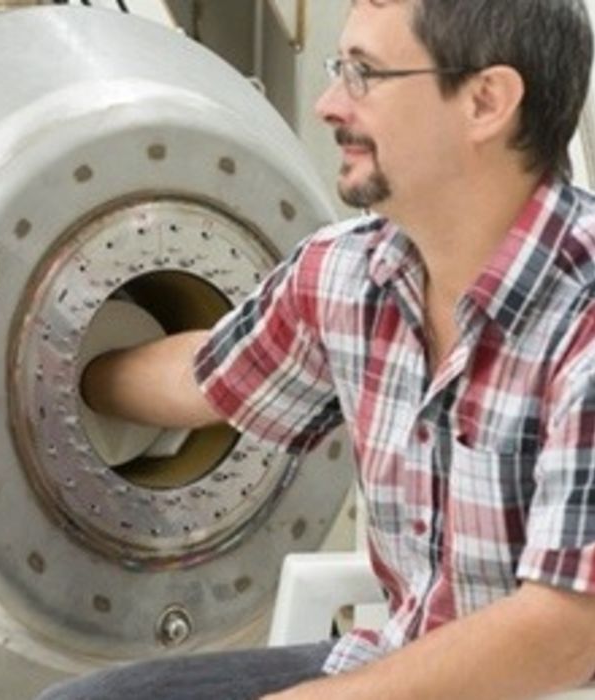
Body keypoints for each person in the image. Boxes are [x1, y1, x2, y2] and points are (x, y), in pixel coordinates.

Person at [35, 0, 595, 698]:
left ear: (485, 101)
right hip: (392, 660)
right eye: (337, 68)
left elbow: (571, 628)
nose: (330, 104)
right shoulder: (348, 274)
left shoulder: (584, 313)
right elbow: (204, 380)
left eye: (364, 74)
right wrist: (56, 369)